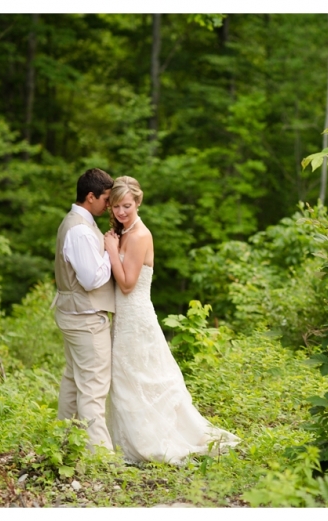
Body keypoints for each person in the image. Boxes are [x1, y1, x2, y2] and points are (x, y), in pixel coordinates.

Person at [102, 176, 239, 464]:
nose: (121, 212)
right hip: (123, 318)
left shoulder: (139, 235)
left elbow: (127, 284)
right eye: (116, 207)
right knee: (126, 379)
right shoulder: (123, 231)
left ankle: (151, 440)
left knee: (141, 378)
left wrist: (112, 252)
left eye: (126, 205)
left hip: (137, 316)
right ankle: (125, 440)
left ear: (138, 202)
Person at [52, 168, 115, 452]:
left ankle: (64, 444)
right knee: (93, 386)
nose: (109, 205)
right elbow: (91, 279)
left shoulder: (79, 223)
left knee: (73, 380)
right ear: (90, 197)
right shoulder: (79, 229)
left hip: (75, 314)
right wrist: (110, 254)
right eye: (106, 199)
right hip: (85, 317)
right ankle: (99, 456)